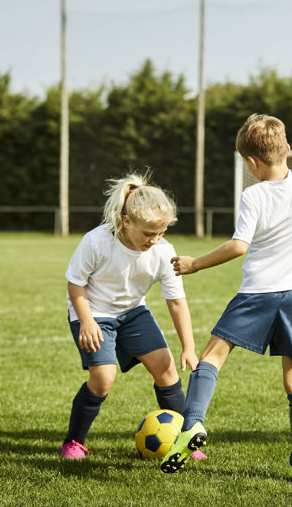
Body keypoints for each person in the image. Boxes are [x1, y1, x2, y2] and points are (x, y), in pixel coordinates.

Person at [160, 53, 292, 484]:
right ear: (285, 149)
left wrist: (194, 264)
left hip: (259, 292)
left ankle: (193, 425)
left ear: (251, 162)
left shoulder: (253, 196)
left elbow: (239, 246)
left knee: (212, 355)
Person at [60, 172, 200, 461]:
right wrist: (86, 321)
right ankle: (73, 442)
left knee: (166, 367)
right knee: (103, 379)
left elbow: (176, 301)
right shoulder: (97, 241)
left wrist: (189, 347)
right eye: (149, 233)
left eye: (161, 232)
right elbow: (76, 283)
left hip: (133, 312)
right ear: (126, 221)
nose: (155, 240)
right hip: (93, 312)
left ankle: (182, 441)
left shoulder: (164, 251)